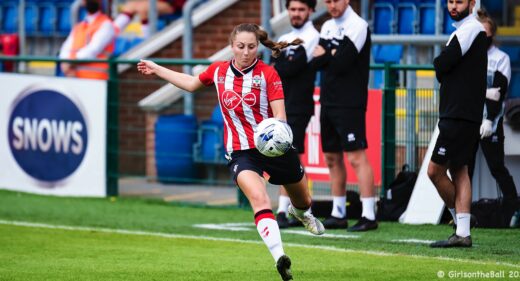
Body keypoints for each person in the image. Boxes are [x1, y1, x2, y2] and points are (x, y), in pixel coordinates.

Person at [137, 23, 325, 281]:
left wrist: (278, 131)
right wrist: (157, 69)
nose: (246, 52)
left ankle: (301, 213)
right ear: (231, 46)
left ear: (257, 47)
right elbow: (192, 83)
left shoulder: (268, 74)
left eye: (251, 47)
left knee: (303, 200)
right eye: (241, 46)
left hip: (273, 147)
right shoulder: (218, 71)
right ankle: (280, 258)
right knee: (259, 199)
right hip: (240, 151)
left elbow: (280, 114)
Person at [310, 0, 376, 232]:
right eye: (327, 1)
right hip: (327, 100)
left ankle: (369, 215)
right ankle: (338, 213)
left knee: (356, 157)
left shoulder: (358, 25)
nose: (331, 5)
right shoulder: (327, 25)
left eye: (335, 0)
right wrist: (331, 54)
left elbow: (341, 62)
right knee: (331, 157)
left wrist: (328, 54)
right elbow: (317, 61)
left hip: (350, 102)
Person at [428, 0, 488, 248]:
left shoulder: (470, 28)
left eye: (459, 1)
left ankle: (462, 223)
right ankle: (462, 230)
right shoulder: (466, 30)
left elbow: (441, 64)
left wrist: (443, 66)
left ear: (472, 3)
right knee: (459, 169)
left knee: (435, 171)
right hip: (464, 114)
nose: (453, 5)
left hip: (458, 115)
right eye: (450, 1)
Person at [272, 0, 320, 229]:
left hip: (299, 105)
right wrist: (283, 62)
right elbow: (279, 68)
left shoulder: (313, 37)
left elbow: (289, 69)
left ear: (311, 11)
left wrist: (282, 61)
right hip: (282, 104)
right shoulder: (288, 37)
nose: (296, 13)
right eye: (292, 9)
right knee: (285, 156)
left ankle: (293, 209)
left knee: (290, 157)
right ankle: (287, 210)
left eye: (301, 9)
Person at [473, 9, 518, 224]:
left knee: (497, 167)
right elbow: (461, 89)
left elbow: (498, 92)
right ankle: (458, 212)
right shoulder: (469, 57)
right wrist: (482, 91)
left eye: (486, 32)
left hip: (491, 120)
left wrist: (489, 119)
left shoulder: (501, 59)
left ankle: (512, 209)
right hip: (468, 118)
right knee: (463, 167)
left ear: (493, 33)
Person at [59, 0, 116, 80]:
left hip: (97, 81)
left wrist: (70, 62)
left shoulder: (106, 24)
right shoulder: (79, 26)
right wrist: (65, 63)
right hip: (76, 79)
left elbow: (93, 49)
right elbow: (65, 49)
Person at [113, 0, 186, 38]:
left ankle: (145, 41)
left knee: (143, 8)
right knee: (130, 5)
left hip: (176, 6)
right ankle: (110, 33)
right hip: (160, 2)